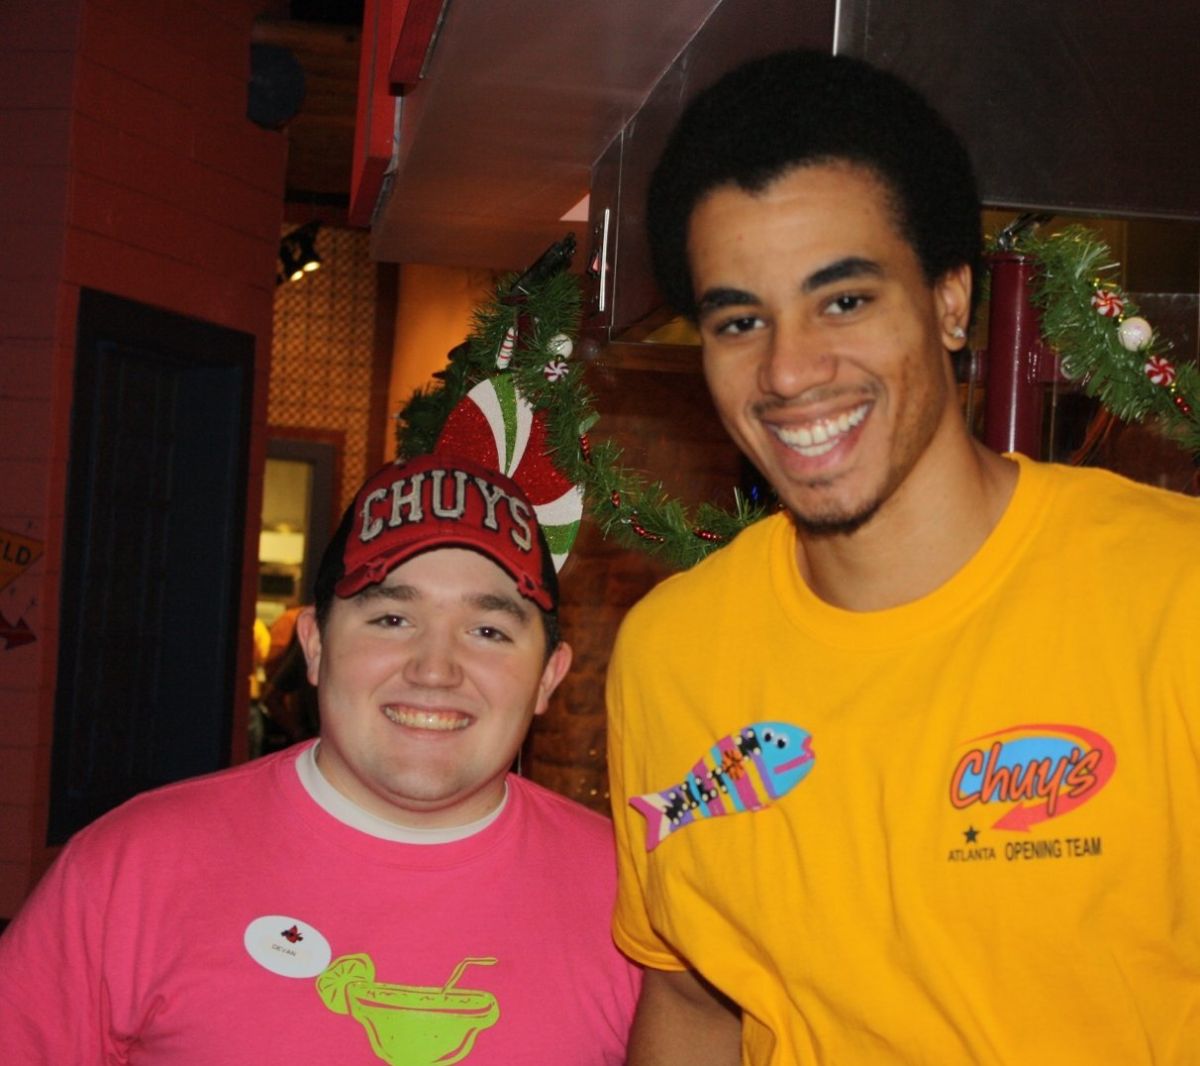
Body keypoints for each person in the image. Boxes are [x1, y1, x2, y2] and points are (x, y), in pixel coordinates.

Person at [605, 48, 1200, 1064]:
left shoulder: (1172, 597)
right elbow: (695, 1001)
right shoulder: (670, 656)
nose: (790, 369)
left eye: (844, 301)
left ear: (950, 303)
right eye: (740, 320)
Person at [0, 451, 640, 1064]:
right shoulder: (129, 869)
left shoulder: (635, 897)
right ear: (313, 645)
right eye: (391, 619)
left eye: (488, 631)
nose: (435, 670)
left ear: (550, 678)